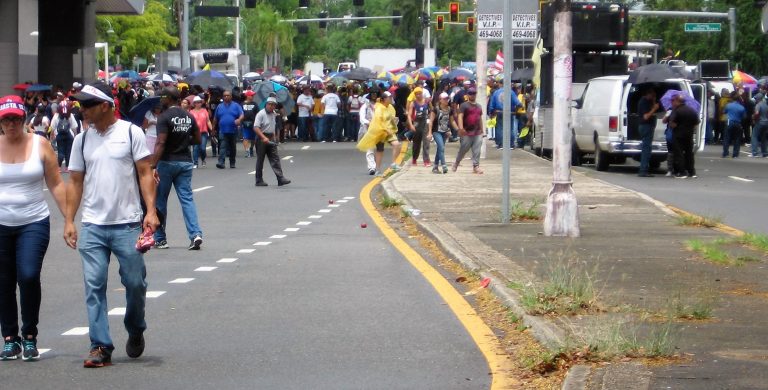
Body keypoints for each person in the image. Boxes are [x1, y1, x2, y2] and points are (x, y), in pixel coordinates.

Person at [64, 81, 159, 368]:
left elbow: (145, 172)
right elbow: (76, 182)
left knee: (134, 283)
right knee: (93, 285)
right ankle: (100, 345)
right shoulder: (81, 140)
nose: (84, 111)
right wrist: (69, 220)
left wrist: (151, 211)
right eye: (81, 106)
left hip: (127, 224)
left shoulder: (131, 133)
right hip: (93, 224)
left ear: (106, 105)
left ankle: (135, 327)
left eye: (88, 106)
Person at [0, 96, 67, 361]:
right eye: (6, 120)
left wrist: (70, 220)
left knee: (28, 275)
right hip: (1, 224)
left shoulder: (40, 144)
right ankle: (9, 338)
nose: (11, 125)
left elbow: (57, 184)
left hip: (33, 221)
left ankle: (29, 336)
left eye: (16, 119)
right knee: (3, 282)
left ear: (25, 119)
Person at [150, 87, 203, 250]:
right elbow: (198, 138)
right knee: (187, 199)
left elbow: (160, 142)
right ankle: (195, 235)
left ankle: (160, 238)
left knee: (160, 201)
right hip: (186, 162)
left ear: (168, 98)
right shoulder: (189, 116)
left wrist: (152, 164)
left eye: (162, 97)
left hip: (166, 162)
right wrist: (184, 142)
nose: (160, 100)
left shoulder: (164, 117)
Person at [356, 91, 402, 176]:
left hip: (389, 130)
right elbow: (378, 120)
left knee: (397, 144)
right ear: (384, 99)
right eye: (389, 97)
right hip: (379, 130)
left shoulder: (390, 107)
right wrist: (385, 128)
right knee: (379, 150)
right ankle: (377, 170)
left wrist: (394, 121)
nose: (391, 99)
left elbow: (390, 118)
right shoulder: (378, 108)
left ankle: (394, 164)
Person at [253, 97, 291, 187]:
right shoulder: (261, 114)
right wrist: (263, 137)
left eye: (272, 105)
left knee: (275, 158)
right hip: (261, 137)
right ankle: (259, 180)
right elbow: (256, 127)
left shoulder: (273, 114)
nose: (270, 106)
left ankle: (280, 178)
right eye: (269, 104)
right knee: (260, 159)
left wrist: (274, 137)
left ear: (275, 106)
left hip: (270, 136)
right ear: (266, 104)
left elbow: (272, 126)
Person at [452, 87, 485, 174]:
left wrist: (482, 130)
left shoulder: (479, 106)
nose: (472, 95)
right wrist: (461, 128)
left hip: (477, 131)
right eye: (470, 93)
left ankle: (476, 166)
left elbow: (480, 119)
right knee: (463, 149)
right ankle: (456, 162)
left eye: (474, 93)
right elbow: (460, 117)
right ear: (467, 95)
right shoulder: (464, 105)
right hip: (466, 131)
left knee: (477, 149)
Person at [668, 93, 701, 178]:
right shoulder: (691, 110)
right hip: (689, 134)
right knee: (689, 153)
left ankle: (681, 172)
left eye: (673, 100)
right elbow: (697, 122)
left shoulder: (676, 110)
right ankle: (691, 172)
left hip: (678, 134)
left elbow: (672, 124)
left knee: (679, 153)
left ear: (677, 101)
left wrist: (674, 124)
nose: (673, 102)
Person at [213, 90, 243, 169]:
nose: (226, 97)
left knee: (232, 147)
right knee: (222, 146)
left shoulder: (236, 105)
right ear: (223, 97)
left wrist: (239, 120)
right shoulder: (219, 106)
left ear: (231, 97)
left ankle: (232, 162)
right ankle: (221, 162)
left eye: (228, 95)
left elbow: (242, 114)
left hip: (233, 130)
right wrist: (213, 129)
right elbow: (215, 118)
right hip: (222, 130)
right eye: (225, 96)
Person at [429, 92, 457, 174]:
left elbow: (452, 121)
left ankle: (435, 167)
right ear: (440, 100)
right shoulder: (436, 109)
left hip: (445, 132)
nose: (446, 100)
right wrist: (430, 133)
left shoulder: (449, 110)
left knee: (440, 149)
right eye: (444, 99)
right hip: (436, 131)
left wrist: (458, 130)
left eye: (447, 99)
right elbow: (431, 121)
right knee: (441, 147)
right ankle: (444, 165)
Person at [50, 102, 80, 174]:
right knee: (68, 152)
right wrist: (75, 135)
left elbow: (52, 127)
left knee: (60, 151)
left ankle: (59, 167)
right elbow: (74, 127)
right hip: (69, 136)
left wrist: (52, 136)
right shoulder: (70, 115)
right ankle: (67, 168)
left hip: (59, 136)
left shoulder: (56, 116)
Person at [406, 87, 432, 167]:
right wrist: (411, 125)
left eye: (419, 93)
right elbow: (409, 115)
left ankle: (426, 160)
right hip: (416, 124)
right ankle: (414, 158)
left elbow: (432, 111)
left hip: (425, 123)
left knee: (426, 142)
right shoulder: (413, 103)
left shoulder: (427, 102)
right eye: (416, 94)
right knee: (416, 143)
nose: (418, 95)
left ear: (422, 93)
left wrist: (430, 121)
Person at [637, 88, 659, 177]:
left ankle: (645, 168)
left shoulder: (649, 102)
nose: (654, 97)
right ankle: (643, 170)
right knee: (646, 149)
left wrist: (654, 102)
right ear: (648, 94)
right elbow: (646, 116)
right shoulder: (643, 102)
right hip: (645, 126)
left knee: (648, 148)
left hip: (648, 126)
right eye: (653, 96)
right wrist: (654, 109)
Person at [358, 89, 379, 175]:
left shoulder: (380, 106)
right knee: (370, 148)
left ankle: (377, 166)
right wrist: (368, 123)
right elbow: (362, 118)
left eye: (375, 94)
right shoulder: (365, 107)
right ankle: (372, 167)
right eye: (372, 94)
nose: (374, 96)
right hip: (368, 129)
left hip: (379, 129)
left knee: (379, 149)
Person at [722, 92, 746, 158]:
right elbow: (744, 117)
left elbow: (724, 112)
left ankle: (725, 153)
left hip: (730, 122)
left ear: (732, 98)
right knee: (737, 139)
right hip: (738, 123)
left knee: (727, 138)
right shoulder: (742, 107)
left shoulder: (728, 105)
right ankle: (735, 154)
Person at [190, 96, 212, 167]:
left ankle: (203, 159)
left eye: (199, 102)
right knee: (195, 148)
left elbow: (208, 121)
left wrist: (211, 129)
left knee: (202, 148)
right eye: (196, 102)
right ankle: (195, 162)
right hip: (195, 133)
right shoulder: (191, 112)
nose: (198, 104)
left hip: (203, 132)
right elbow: (190, 122)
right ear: (194, 104)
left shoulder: (204, 111)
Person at [241, 90, 258, 158]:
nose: (252, 96)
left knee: (253, 138)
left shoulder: (255, 104)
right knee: (246, 137)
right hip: (245, 123)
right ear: (247, 96)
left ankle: (251, 148)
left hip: (253, 123)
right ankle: (247, 151)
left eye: (253, 95)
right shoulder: (242, 104)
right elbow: (240, 113)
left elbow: (257, 113)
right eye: (251, 95)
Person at [751, 93, 768, 158]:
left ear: (758, 98)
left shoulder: (758, 105)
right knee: (764, 138)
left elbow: (757, 113)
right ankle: (765, 153)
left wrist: (754, 118)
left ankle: (754, 153)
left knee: (754, 136)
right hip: (766, 123)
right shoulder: (766, 105)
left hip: (759, 122)